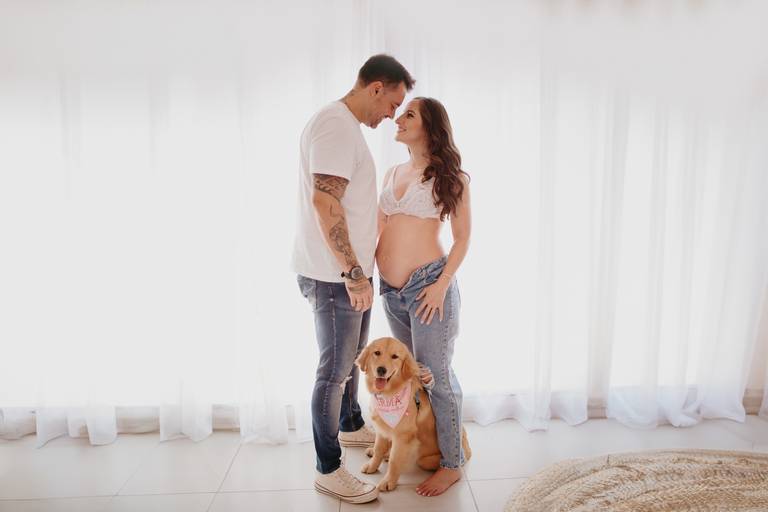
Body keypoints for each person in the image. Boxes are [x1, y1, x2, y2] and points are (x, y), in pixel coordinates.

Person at [291, 54, 415, 504]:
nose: (393, 115)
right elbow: (325, 203)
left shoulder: (345, 126)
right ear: (376, 87)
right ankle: (328, 469)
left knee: (352, 365)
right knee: (334, 373)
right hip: (335, 277)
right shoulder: (336, 125)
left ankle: (350, 425)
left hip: (344, 276)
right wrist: (353, 273)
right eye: (393, 103)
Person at [376, 97, 472, 497]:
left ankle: (452, 464)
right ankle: (431, 440)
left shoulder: (451, 176)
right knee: (415, 374)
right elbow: (379, 228)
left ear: (430, 127)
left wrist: (441, 284)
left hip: (428, 286)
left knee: (437, 376)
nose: (398, 119)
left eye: (409, 114)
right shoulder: (393, 172)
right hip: (391, 291)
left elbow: (462, 238)